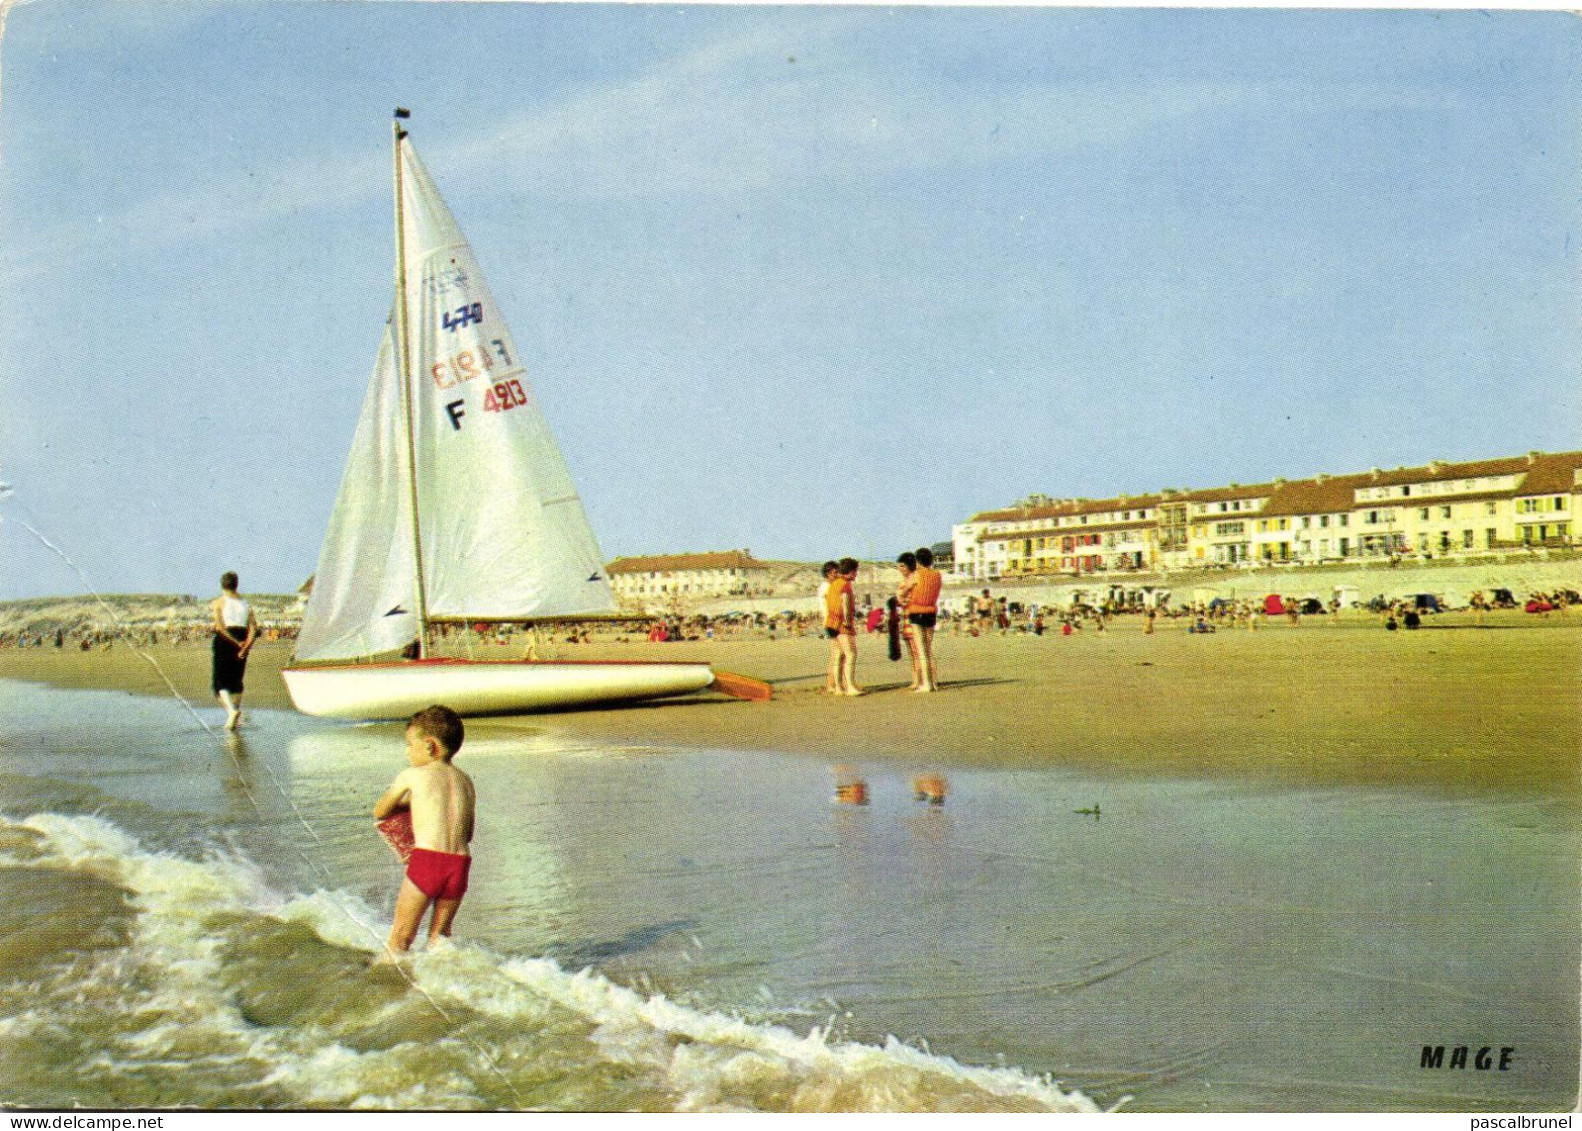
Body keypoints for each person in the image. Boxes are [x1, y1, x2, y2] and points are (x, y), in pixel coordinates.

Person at [373, 705, 476, 956]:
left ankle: (388, 985)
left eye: (410, 744)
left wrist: (410, 803)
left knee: (401, 937)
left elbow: (380, 811)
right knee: (439, 941)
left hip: (428, 862)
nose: (408, 752)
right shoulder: (466, 781)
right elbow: (469, 833)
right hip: (460, 865)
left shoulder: (412, 775)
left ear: (429, 746)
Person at [210, 571, 258, 730]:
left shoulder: (219, 602)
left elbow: (220, 627)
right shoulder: (246, 604)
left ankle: (232, 712)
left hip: (226, 639)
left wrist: (237, 643)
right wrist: (246, 645)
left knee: (220, 681)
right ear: (236, 584)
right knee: (236, 680)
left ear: (222, 584)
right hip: (243, 636)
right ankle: (234, 716)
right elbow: (253, 628)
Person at [823, 558, 862, 695]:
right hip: (842, 624)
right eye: (856, 571)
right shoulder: (845, 584)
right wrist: (847, 621)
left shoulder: (834, 584)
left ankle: (839, 688)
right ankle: (850, 686)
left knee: (839, 655)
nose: (856, 574)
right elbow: (845, 603)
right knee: (851, 654)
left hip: (831, 622)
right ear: (851, 572)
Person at [907, 547, 943, 692]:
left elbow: (905, 589)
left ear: (917, 561)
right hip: (931, 612)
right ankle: (932, 682)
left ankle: (926, 684)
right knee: (928, 649)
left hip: (917, 611)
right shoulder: (937, 575)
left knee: (921, 650)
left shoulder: (916, 575)